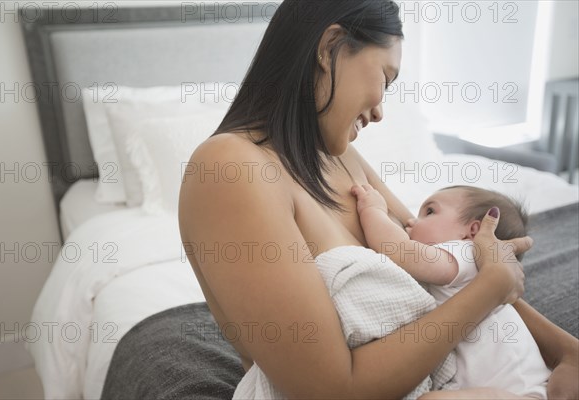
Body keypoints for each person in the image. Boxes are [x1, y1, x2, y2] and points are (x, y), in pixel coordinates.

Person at [178, 0, 579, 398]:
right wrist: (491, 288)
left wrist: (567, 352)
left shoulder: (341, 158)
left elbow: (447, 264)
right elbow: (333, 389)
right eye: (385, 79)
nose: (380, 111)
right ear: (330, 46)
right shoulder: (230, 168)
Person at [351, 184, 551, 398]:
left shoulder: (469, 253)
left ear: (472, 232)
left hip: (520, 390)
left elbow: (401, 251)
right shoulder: (469, 265)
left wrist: (373, 210)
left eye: (429, 212)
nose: (410, 222)